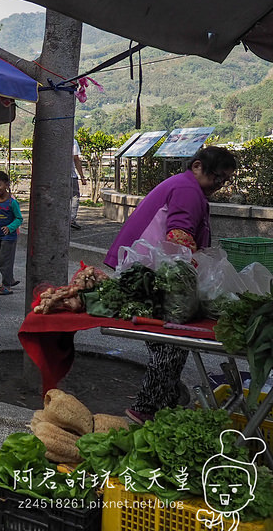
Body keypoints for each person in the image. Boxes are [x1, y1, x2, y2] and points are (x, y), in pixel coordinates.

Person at [104, 145, 238, 424]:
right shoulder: (188, 189)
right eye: (217, 177)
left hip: (148, 269)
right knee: (172, 340)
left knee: (166, 343)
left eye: (225, 180)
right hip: (150, 273)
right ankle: (146, 409)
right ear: (198, 166)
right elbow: (178, 236)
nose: (219, 185)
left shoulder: (184, 185)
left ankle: (164, 400)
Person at [71, 141, 87, 230]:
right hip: (71, 175)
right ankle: (71, 219)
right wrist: (82, 176)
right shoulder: (73, 141)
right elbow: (76, 158)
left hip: (55, 176)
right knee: (74, 196)